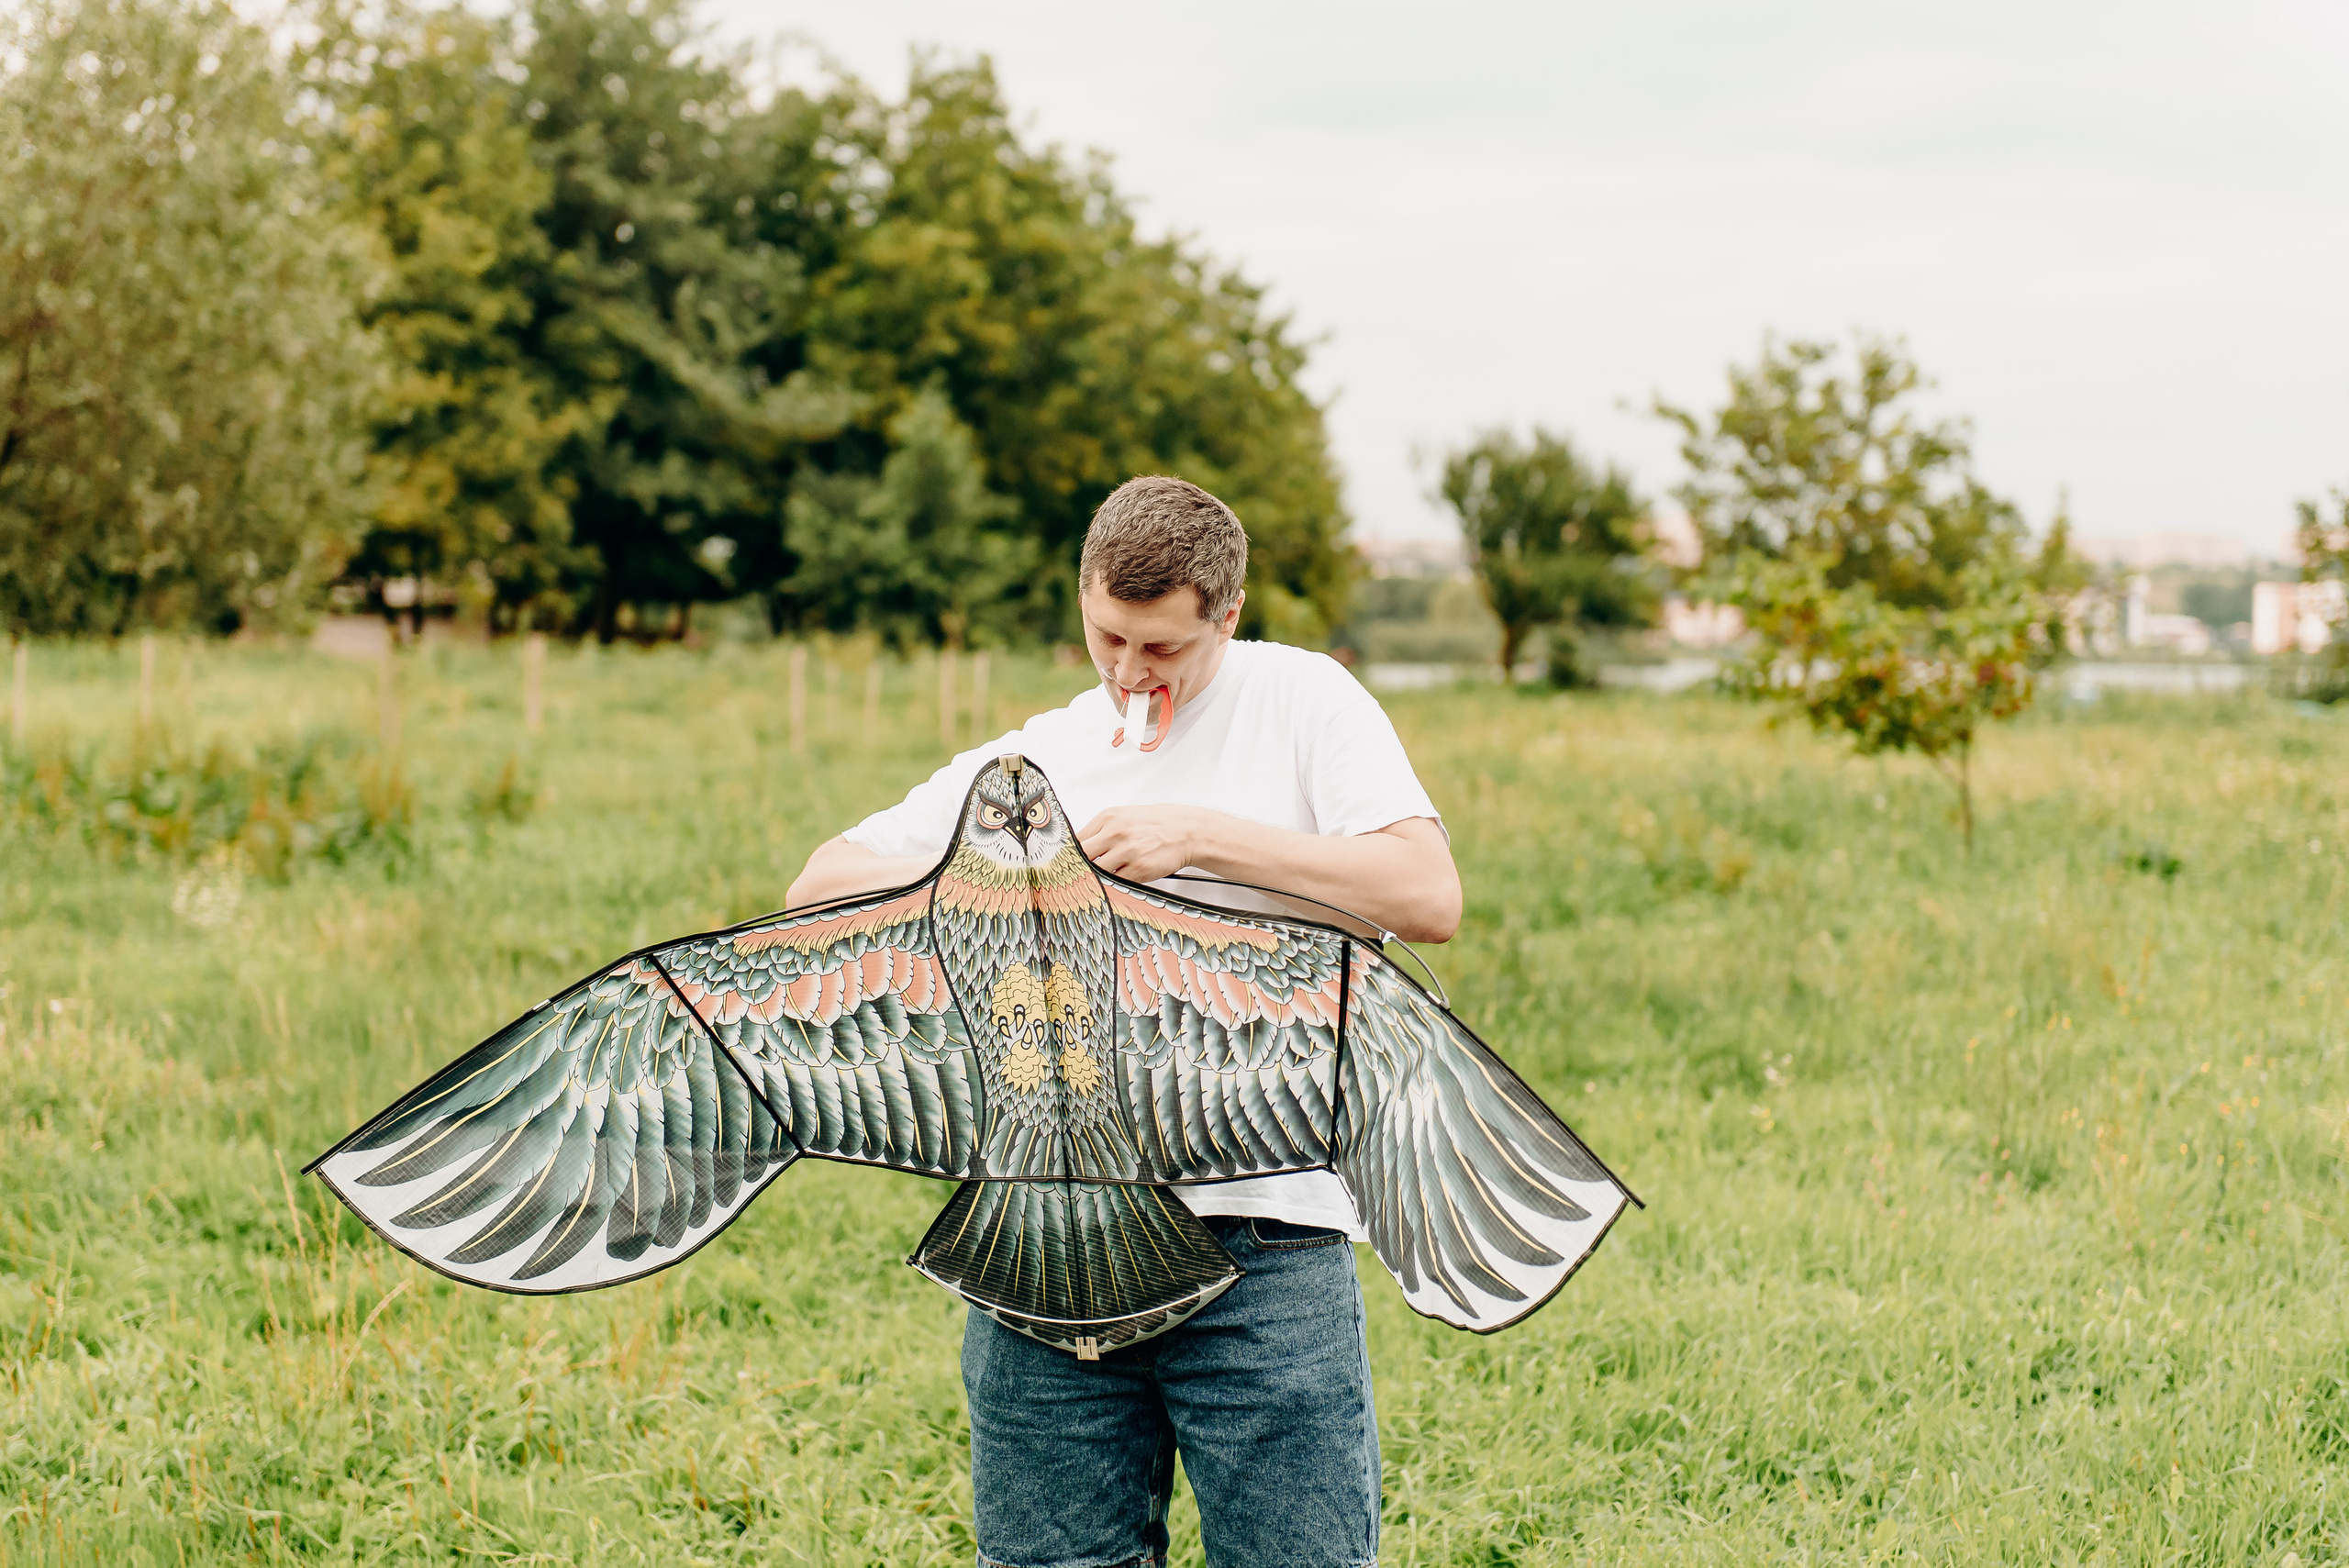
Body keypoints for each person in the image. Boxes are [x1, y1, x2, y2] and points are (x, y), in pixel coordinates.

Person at [787, 474, 1461, 1568]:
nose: (1128, 672)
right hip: (1045, 1240)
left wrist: (1202, 835)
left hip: (1266, 1237)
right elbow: (819, 886)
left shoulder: (1307, 702)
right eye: (1107, 636)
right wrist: (1012, 862)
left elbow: (1426, 896)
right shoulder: (1040, 751)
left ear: (1226, 617)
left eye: (1162, 649)